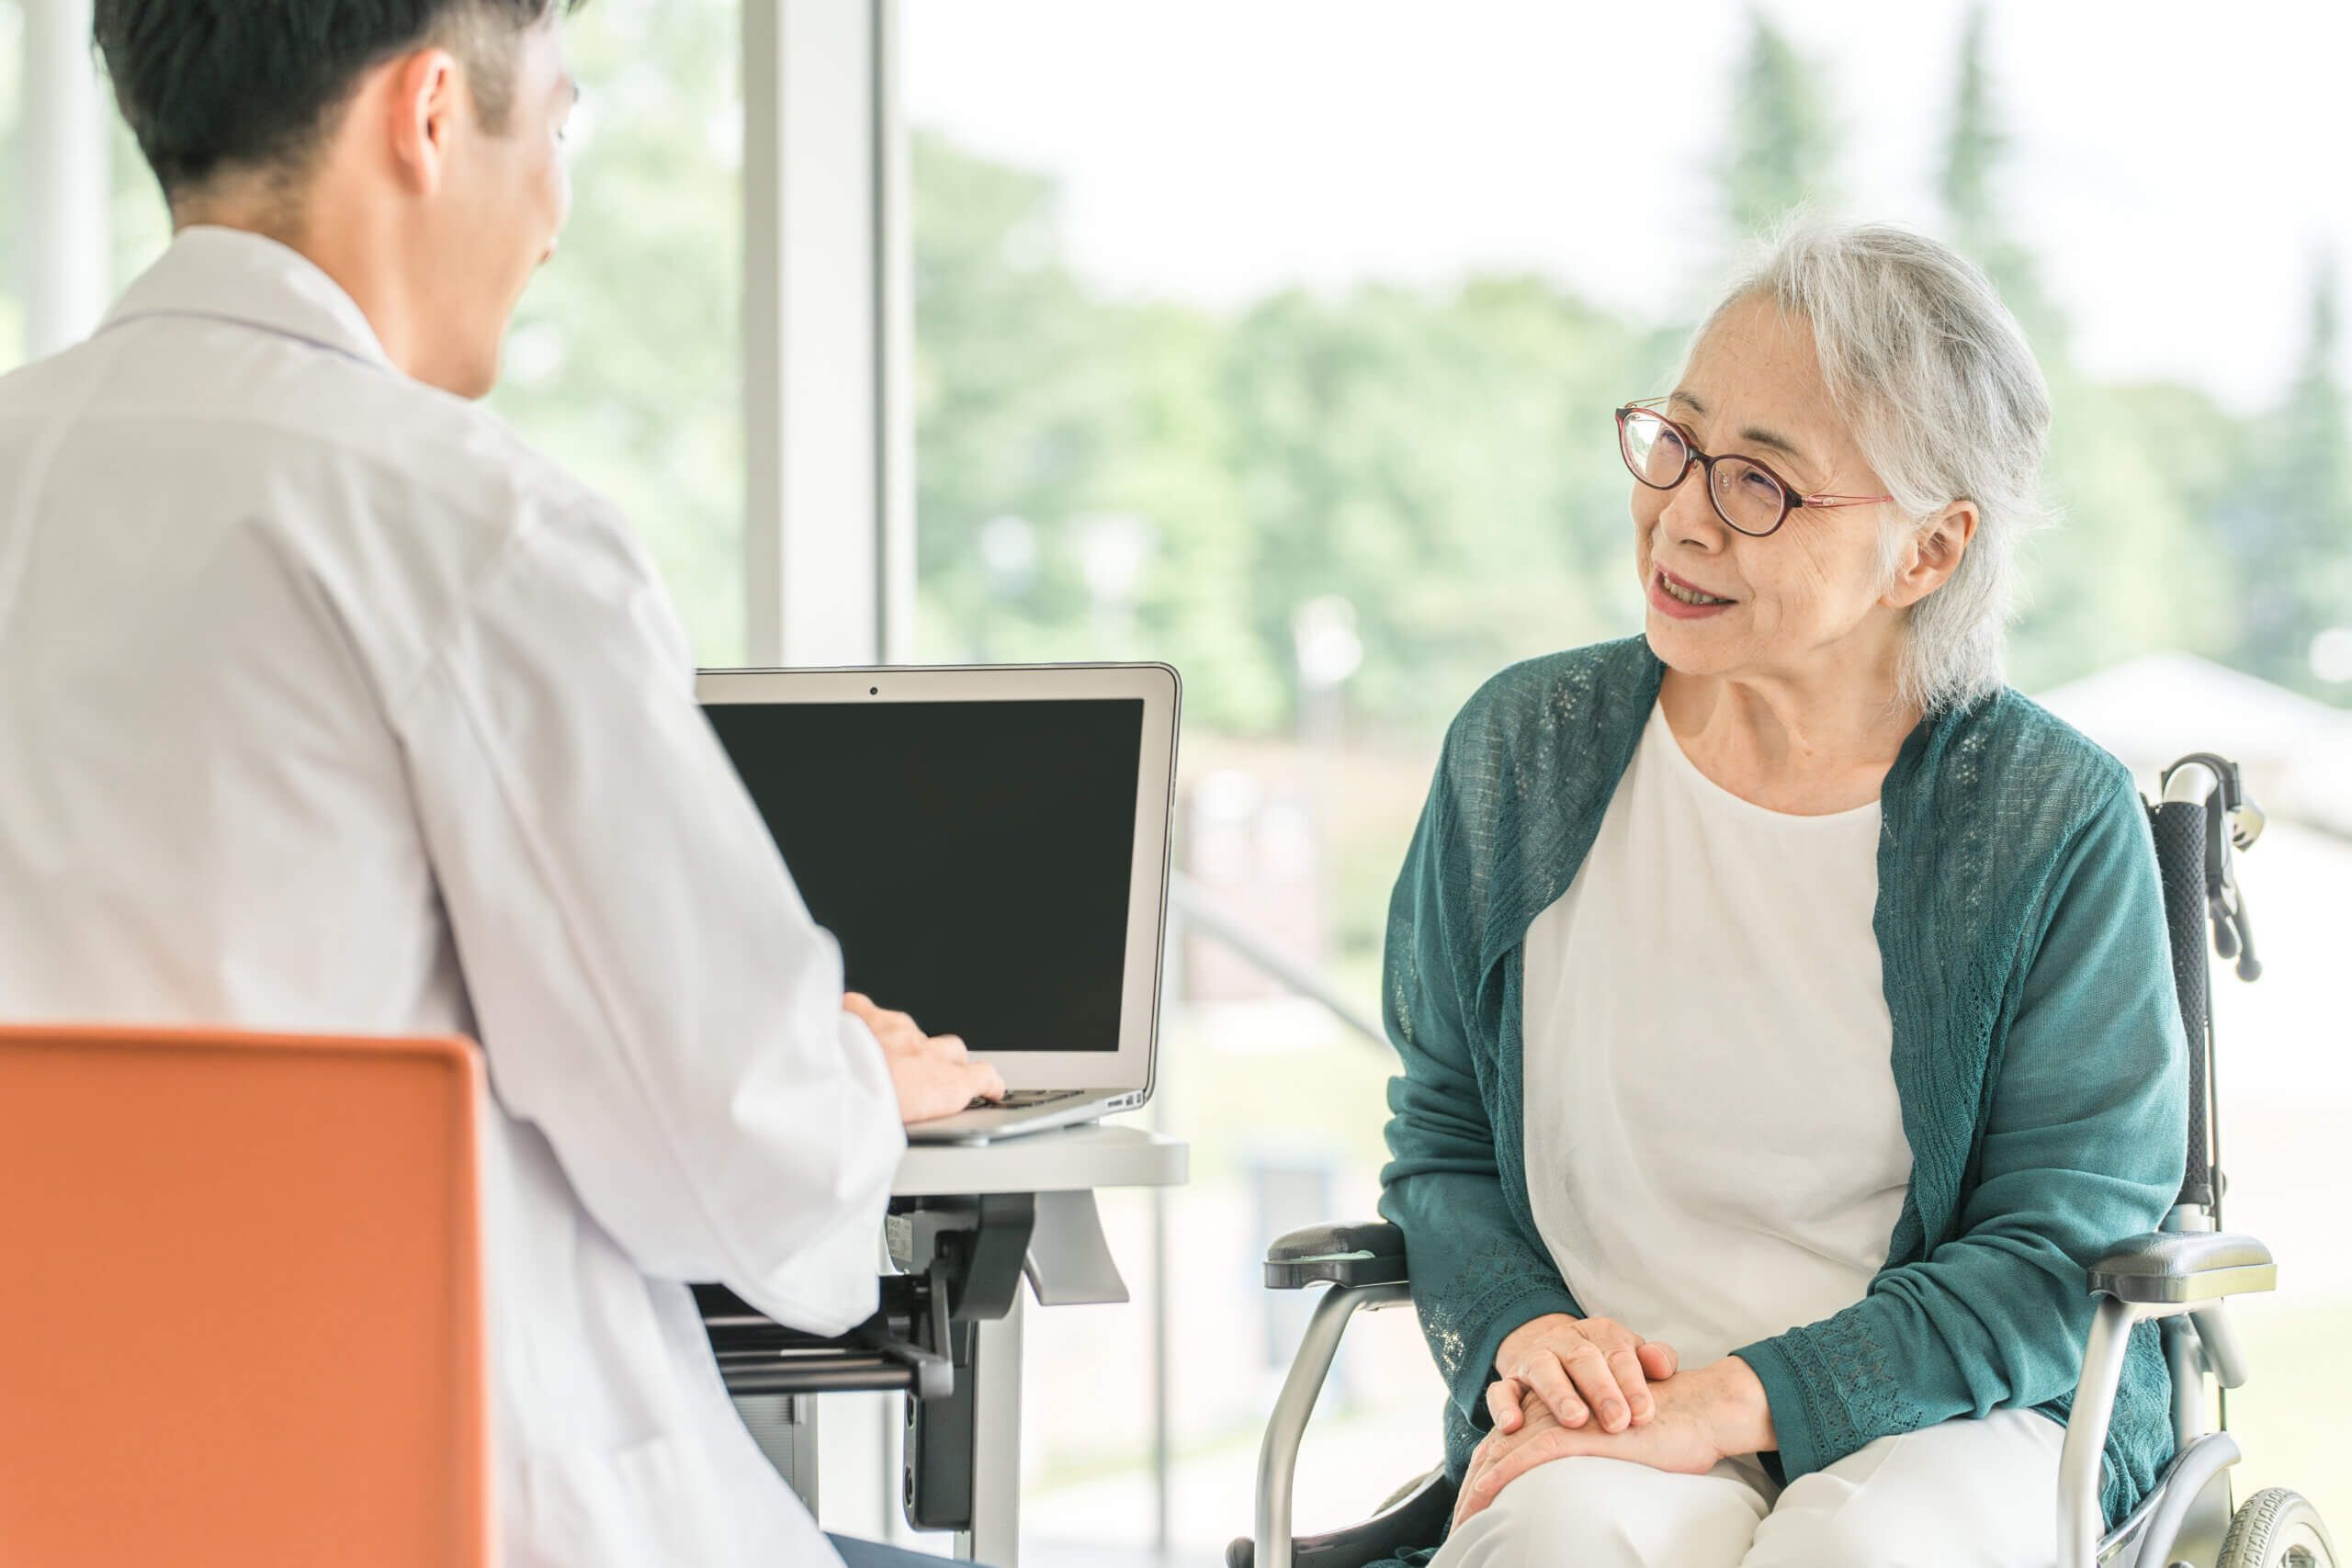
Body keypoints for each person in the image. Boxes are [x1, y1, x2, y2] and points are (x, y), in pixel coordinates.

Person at [0, 3, 1002, 1564]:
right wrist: (858, 1079)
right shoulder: (467, 529)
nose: (551, 215)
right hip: (450, 1511)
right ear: (427, 114)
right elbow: (722, 1154)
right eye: (556, 124)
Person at [1378, 218, 2188, 1568]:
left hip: (1962, 1421)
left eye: (1762, 483)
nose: (1684, 513)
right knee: (1561, 1542)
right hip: (1619, 1417)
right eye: (1680, 442)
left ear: (1929, 551)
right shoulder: (1520, 752)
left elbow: (2060, 1252)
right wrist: (1531, 1335)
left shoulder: (2053, 820)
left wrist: (1730, 1407)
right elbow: (1444, 1142)